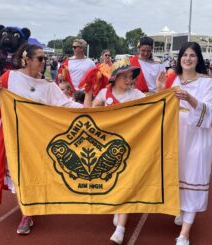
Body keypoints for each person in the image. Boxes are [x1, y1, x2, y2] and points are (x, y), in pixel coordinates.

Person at [0, 43, 92, 236]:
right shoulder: (9, 78)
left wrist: (90, 110)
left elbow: (65, 104)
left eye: (44, 59)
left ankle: (30, 207)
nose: (43, 62)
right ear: (26, 59)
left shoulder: (47, 85)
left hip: (37, 138)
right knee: (20, 174)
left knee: (33, 173)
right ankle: (27, 212)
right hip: (14, 137)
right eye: (39, 58)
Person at [158, 42, 212, 245]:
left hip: (197, 135)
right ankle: (181, 209)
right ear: (179, 58)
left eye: (192, 55)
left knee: (193, 176)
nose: (188, 59)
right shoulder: (174, 80)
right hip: (176, 133)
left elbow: (209, 112)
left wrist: (190, 99)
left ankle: (184, 234)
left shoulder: (206, 82)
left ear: (198, 59)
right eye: (184, 55)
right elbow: (162, 105)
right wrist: (159, 89)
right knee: (178, 174)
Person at [86, 57, 145, 244]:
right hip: (108, 148)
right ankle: (117, 208)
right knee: (112, 180)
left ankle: (121, 228)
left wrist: (160, 89)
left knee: (126, 182)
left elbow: (155, 104)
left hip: (131, 145)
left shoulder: (136, 95)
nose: (130, 80)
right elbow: (91, 113)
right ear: (115, 77)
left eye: (131, 77)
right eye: (125, 76)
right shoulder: (104, 93)